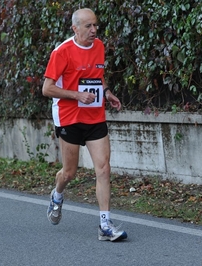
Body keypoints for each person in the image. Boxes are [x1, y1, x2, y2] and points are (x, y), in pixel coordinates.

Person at [42, 8, 127, 242]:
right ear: (75, 28)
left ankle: (105, 225)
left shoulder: (98, 47)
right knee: (69, 172)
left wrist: (107, 92)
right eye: (88, 26)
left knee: (103, 168)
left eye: (95, 25)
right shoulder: (62, 52)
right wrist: (77, 95)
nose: (94, 30)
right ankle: (57, 194)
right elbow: (47, 88)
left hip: (95, 115)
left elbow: (97, 76)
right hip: (69, 116)